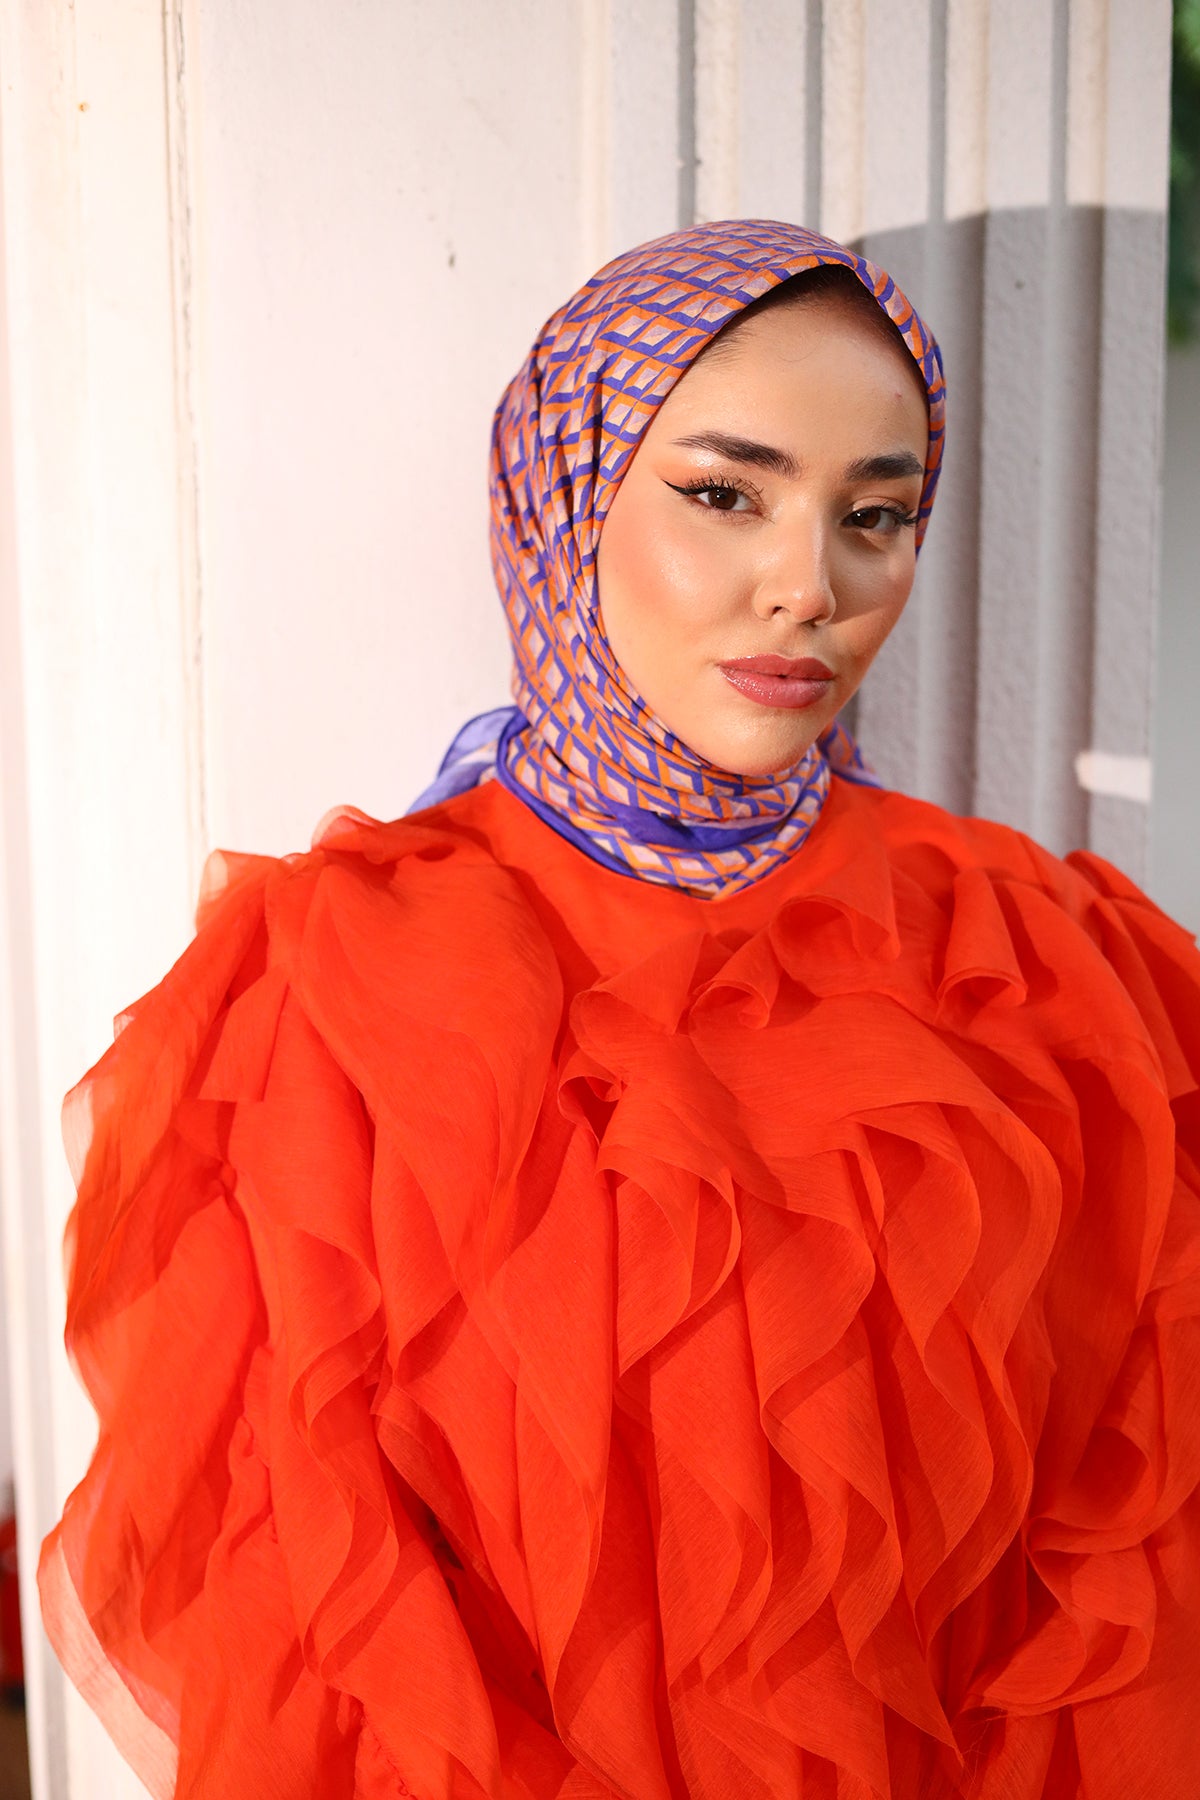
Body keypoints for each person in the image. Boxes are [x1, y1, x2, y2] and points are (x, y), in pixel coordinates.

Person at [38, 219, 1200, 1798]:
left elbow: (1133, 1540)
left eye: (876, 515)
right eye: (726, 495)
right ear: (566, 494)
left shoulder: (1049, 961)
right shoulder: (329, 982)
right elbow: (327, 1599)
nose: (809, 587)